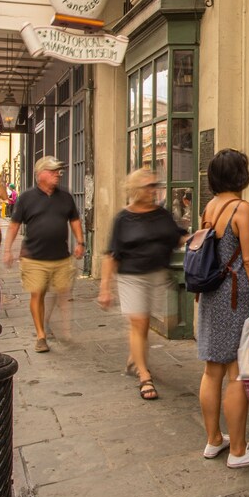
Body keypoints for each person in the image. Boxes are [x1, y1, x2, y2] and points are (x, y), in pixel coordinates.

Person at [196, 149, 249, 468]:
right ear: (240, 176)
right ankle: (239, 450)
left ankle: (214, 439)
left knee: (212, 370)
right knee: (239, 374)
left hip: (212, 295)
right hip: (236, 295)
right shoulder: (243, 209)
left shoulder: (210, 207)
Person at [97, 169, 188, 400]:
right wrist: (105, 288)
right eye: (149, 186)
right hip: (131, 277)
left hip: (158, 275)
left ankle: (134, 357)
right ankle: (144, 375)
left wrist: (203, 236)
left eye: (155, 185)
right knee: (139, 322)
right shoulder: (123, 218)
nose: (154, 190)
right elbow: (111, 255)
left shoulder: (162, 214)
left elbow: (177, 237)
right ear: (137, 190)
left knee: (156, 322)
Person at [3, 156, 85, 353]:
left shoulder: (65, 197)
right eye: (53, 171)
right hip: (34, 257)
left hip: (61, 256)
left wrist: (80, 242)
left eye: (58, 171)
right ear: (41, 174)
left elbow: (74, 220)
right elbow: (14, 225)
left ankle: (47, 321)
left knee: (61, 291)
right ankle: (41, 335)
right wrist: (7, 250)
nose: (57, 175)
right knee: (38, 293)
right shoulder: (26, 198)